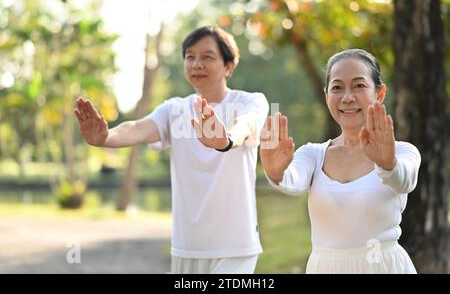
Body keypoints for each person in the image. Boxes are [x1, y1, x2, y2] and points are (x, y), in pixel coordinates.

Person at [74, 26, 269, 274]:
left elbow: (246, 124)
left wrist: (226, 140)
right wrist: (106, 137)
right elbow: (137, 128)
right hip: (187, 246)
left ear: (228, 66)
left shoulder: (250, 102)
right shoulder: (175, 109)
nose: (197, 64)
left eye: (207, 57)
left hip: (236, 246)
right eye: (190, 56)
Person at [260, 49, 420, 274]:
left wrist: (387, 164)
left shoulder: (402, 152)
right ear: (327, 96)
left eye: (359, 86)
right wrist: (276, 172)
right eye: (337, 87)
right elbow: (291, 180)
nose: (347, 97)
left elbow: (404, 180)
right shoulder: (313, 154)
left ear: (380, 93)